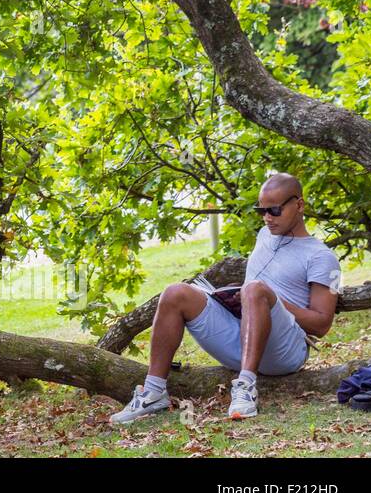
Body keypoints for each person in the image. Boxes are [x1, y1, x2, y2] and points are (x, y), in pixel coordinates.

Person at [110, 172, 341, 424]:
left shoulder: (322, 257)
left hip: (284, 352)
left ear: (299, 205)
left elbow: (322, 325)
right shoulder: (265, 235)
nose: (266, 218)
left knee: (254, 289)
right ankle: (153, 392)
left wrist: (266, 298)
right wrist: (237, 297)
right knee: (176, 292)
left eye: (274, 210)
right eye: (260, 210)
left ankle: (246, 387)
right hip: (242, 335)